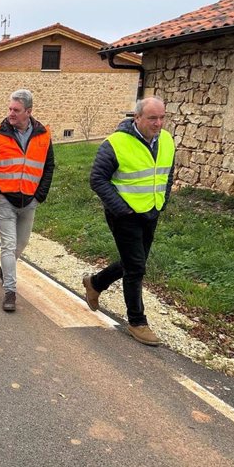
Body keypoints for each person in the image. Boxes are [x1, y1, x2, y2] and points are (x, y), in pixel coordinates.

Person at [83, 96, 174, 346]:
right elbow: (97, 179)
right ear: (137, 118)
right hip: (124, 215)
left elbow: (168, 173)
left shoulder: (166, 140)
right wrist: (122, 209)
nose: (158, 123)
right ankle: (137, 322)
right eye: (152, 118)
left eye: (162, 117)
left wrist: (162, 201)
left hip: (151, 211)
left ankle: (95, 282)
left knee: (135, 262)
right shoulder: (115, 143)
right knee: (136, 268)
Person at [0, 89, 55, 312]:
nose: (11, 113)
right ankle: (10, 291)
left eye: (16, 110)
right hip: (5, 201)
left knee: (21, 244)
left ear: (28, 112)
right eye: (10, 108)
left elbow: (49, 167)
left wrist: (40, 196)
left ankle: (5, 269)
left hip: (30, 201)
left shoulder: (43, 135)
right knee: (9, 245)